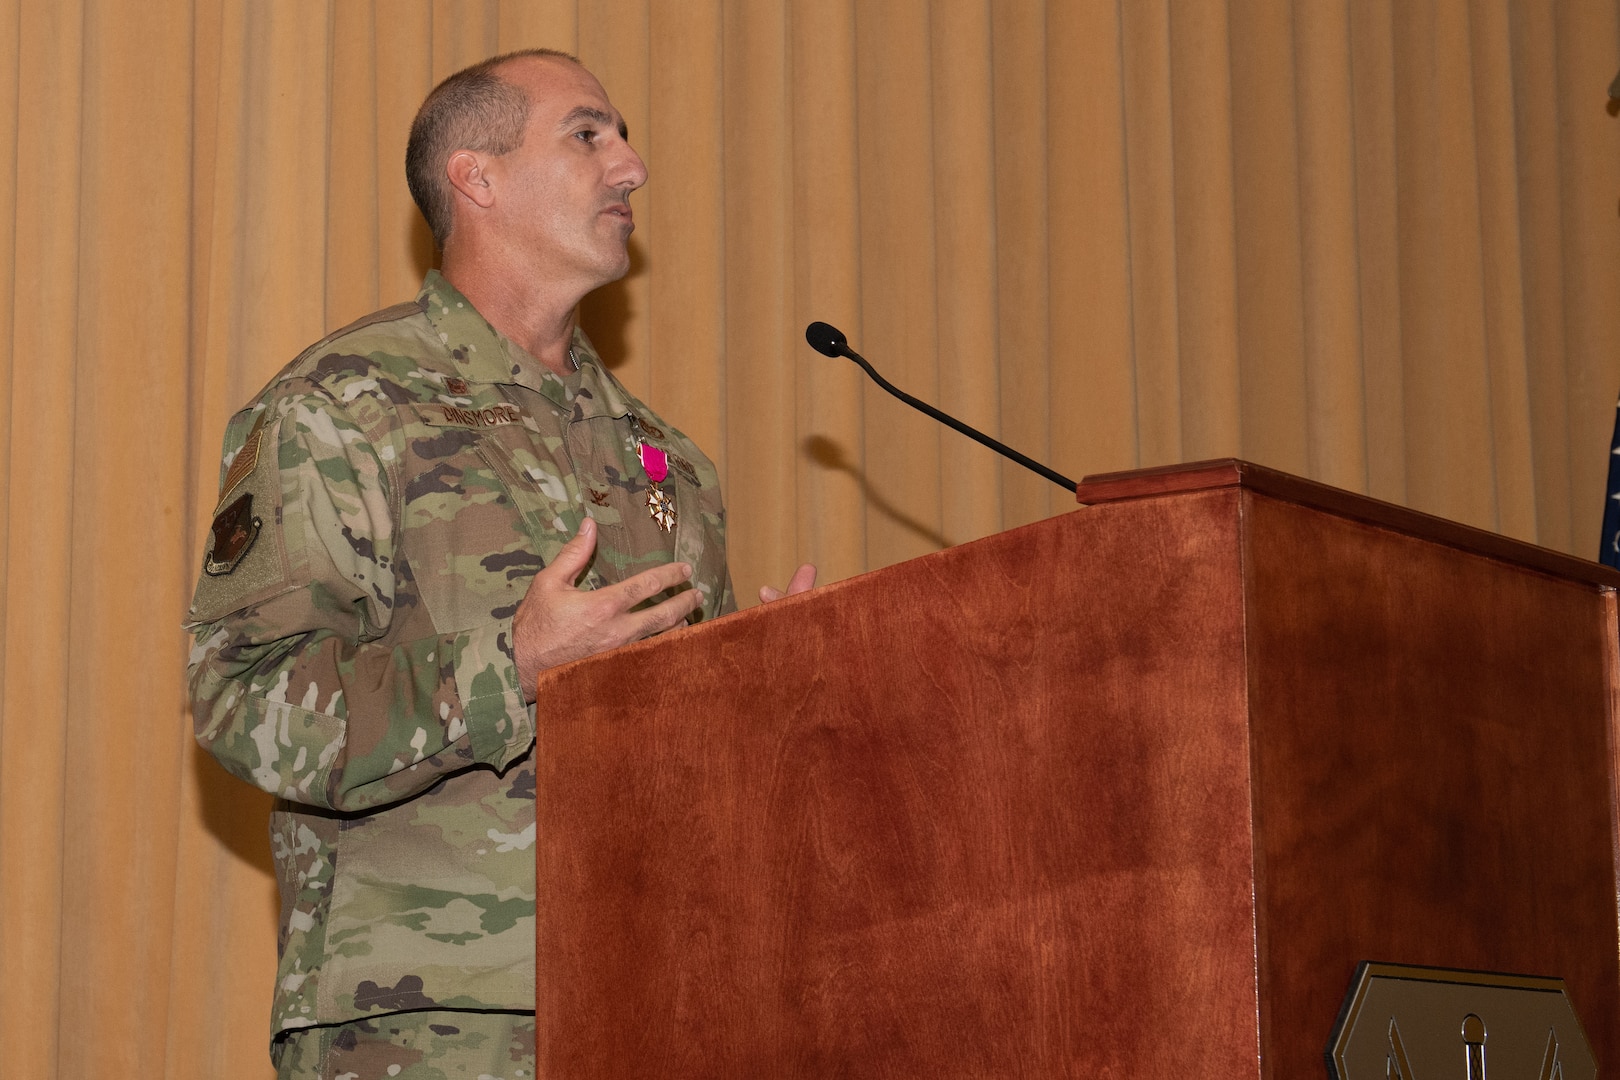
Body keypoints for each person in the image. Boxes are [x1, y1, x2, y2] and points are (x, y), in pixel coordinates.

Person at [185, 48, 814, 1079]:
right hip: (430, 1021)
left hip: (660, 995)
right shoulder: (347, 404)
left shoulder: (667, 460)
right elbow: (243, 700)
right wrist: (508, 667)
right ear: (476, 177)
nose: (632, 167)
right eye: (588, 134)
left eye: (621, 137)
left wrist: (771, 694)